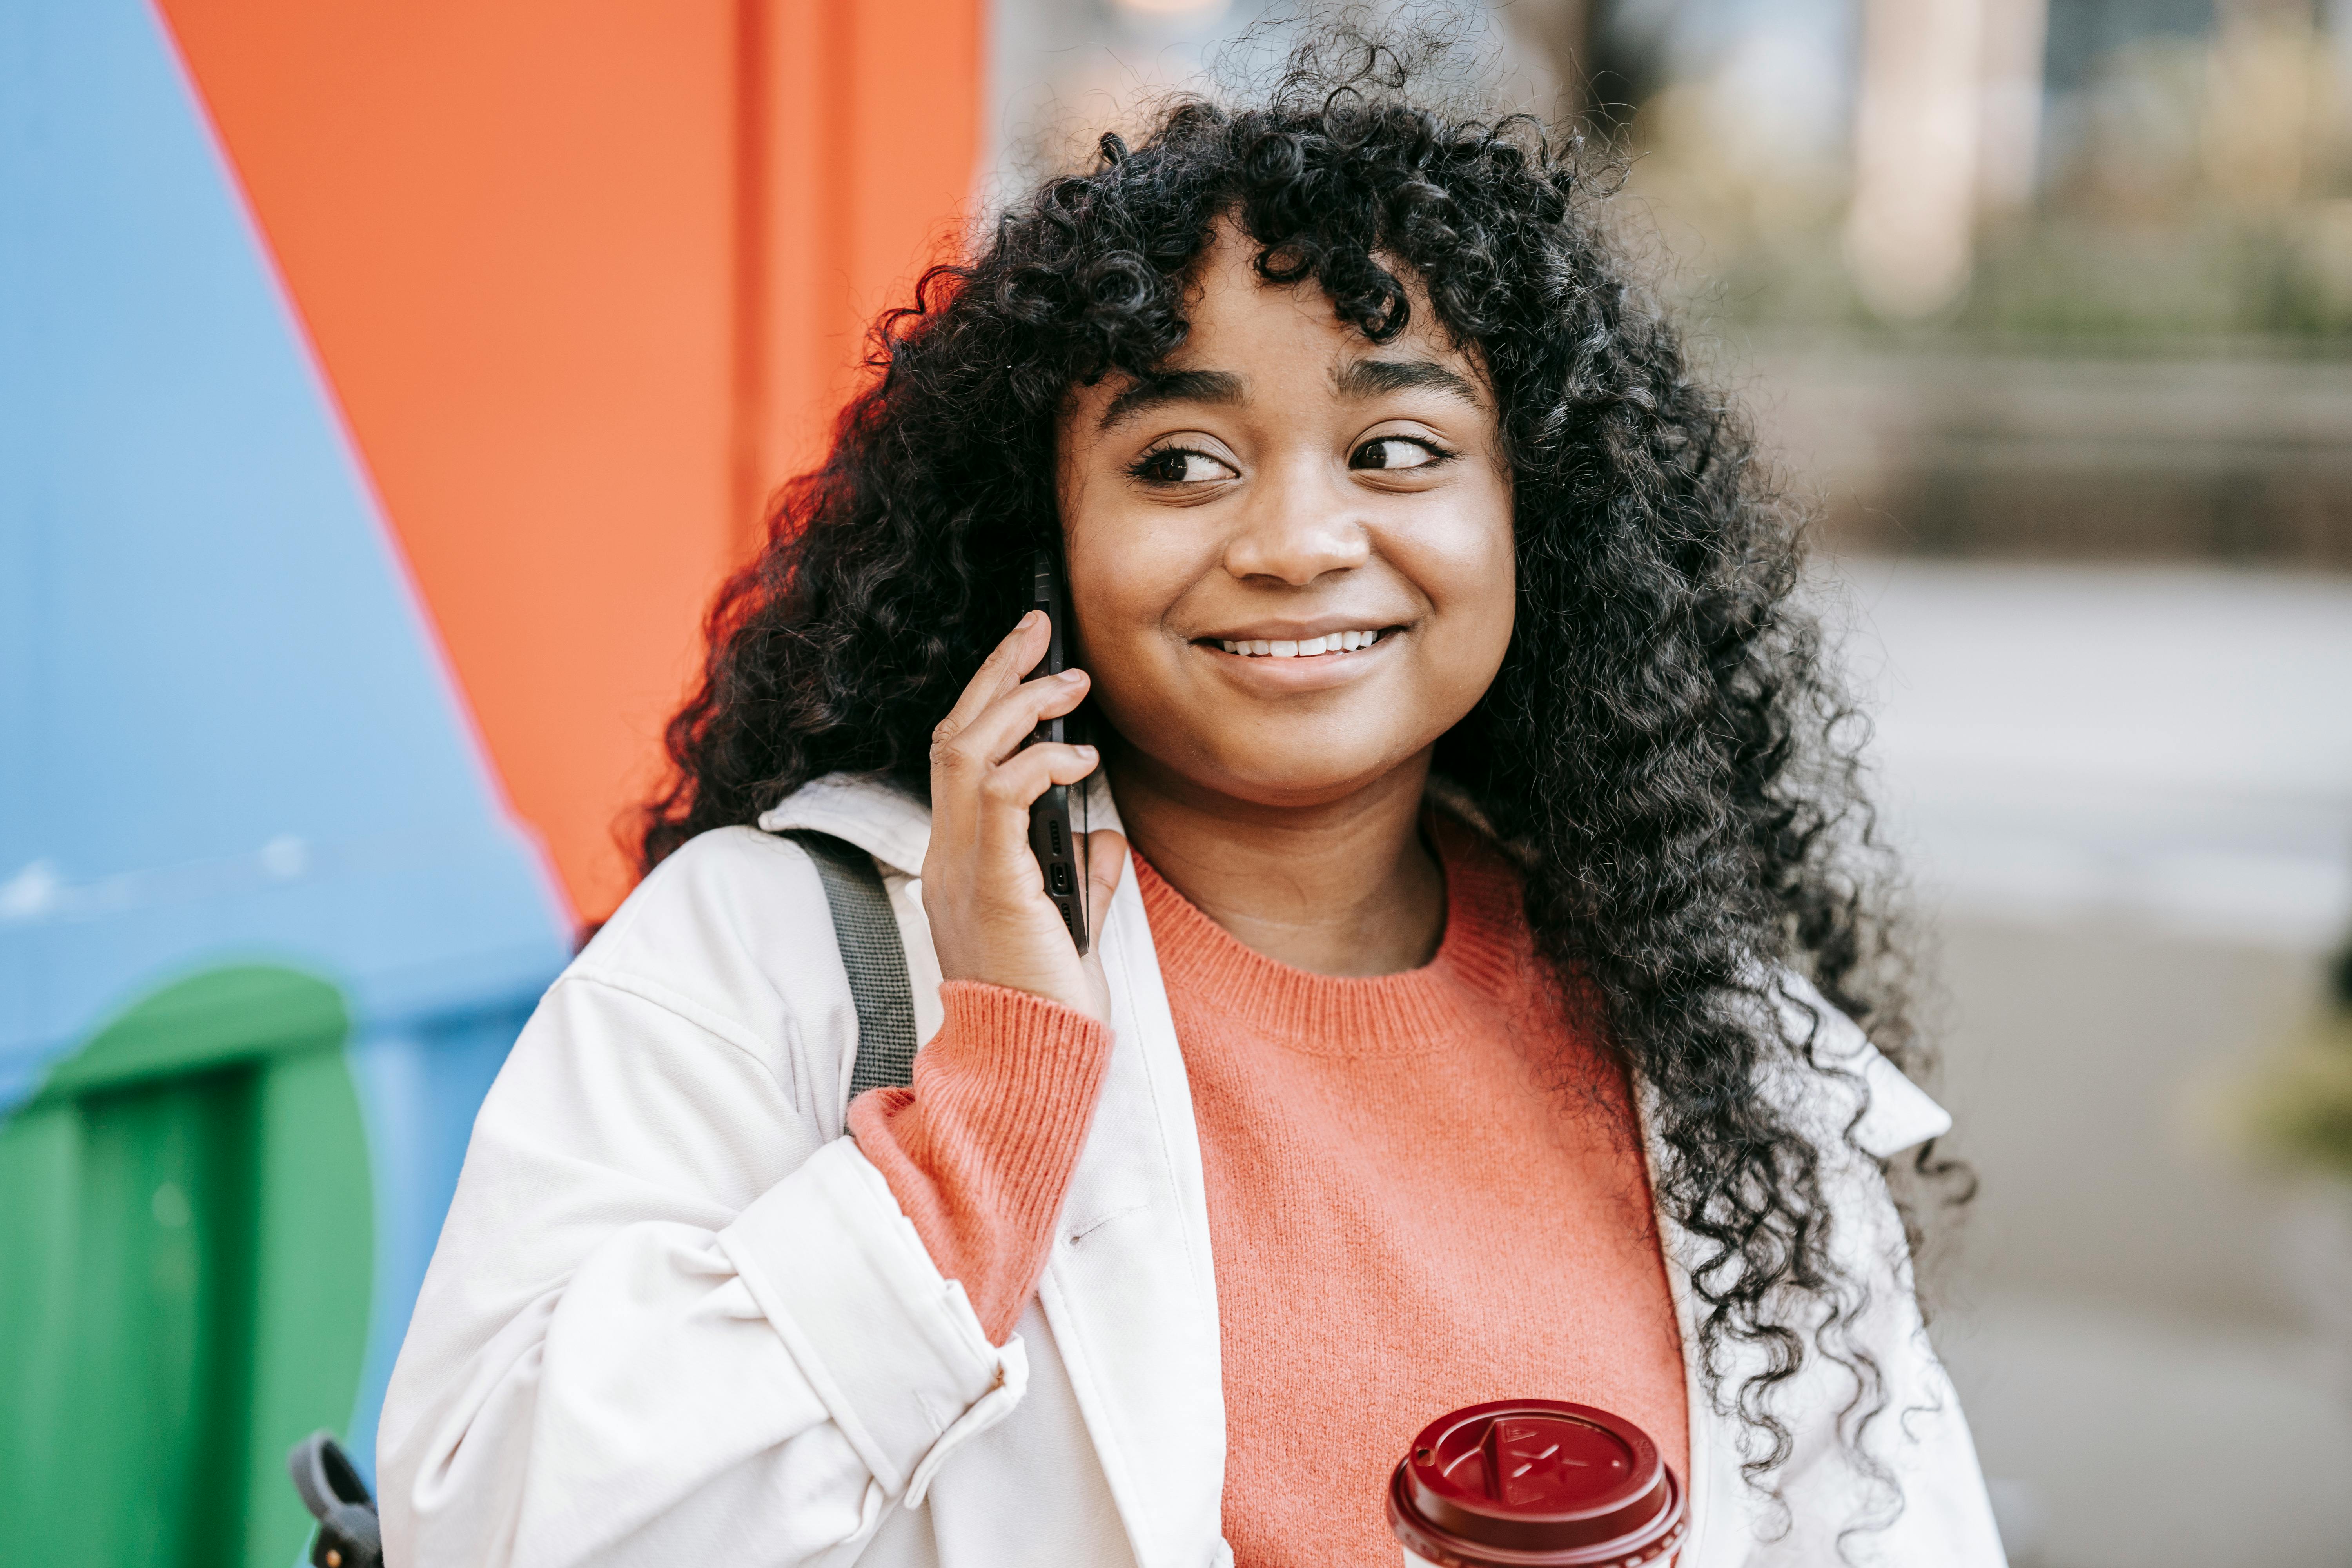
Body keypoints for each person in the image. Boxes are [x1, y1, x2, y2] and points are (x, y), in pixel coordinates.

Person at [379, 36, 2005, 1568]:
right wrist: (973, 1128)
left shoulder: (1690, 1009)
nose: (1299, 540)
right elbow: (496, 1521)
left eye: (1397, 448)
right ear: (1041, 536)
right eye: (1181, 465)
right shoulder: (783, 951)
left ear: (1540, 517)